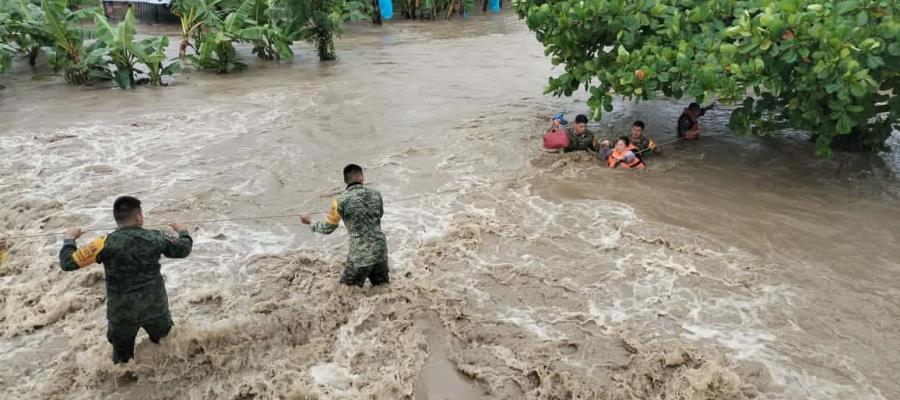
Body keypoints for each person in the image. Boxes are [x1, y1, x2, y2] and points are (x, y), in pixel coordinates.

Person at [59, 196, 192, 364]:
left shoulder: (102, 243)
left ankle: (124, 385)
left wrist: (70, 239)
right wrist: (183, 231)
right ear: (138, 216)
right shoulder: (155, 237)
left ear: (117, 219)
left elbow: (67, 262)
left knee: (122, 363)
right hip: (155, 309)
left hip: (122, 313)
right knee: (168, 351)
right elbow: (183, 249)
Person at [301, 164, 389, 287]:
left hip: (360, 255)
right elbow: (379, 214)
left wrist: (310, 222)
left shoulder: (340, 200)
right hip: (381, 250)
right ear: (361, 177)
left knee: (345, 292)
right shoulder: (376, 194)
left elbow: (328, 228)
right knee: (383, 289)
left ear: (346, 180)